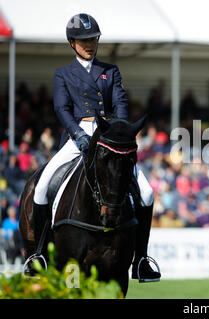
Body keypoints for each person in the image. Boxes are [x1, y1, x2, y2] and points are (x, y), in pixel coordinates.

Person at [27, 13, 160, 282]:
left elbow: (120, 103)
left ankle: (142, 259)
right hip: (78, 133)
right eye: (84, 40)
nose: (89, 44)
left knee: (146, 192)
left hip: (109, 134)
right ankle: (38, 254)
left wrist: (119, 129)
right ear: (72, 42)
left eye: (93, 39)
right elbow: (62, 109)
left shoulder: (110, 71)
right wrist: (77, 134)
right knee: (41, 188)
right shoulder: (63, 74)